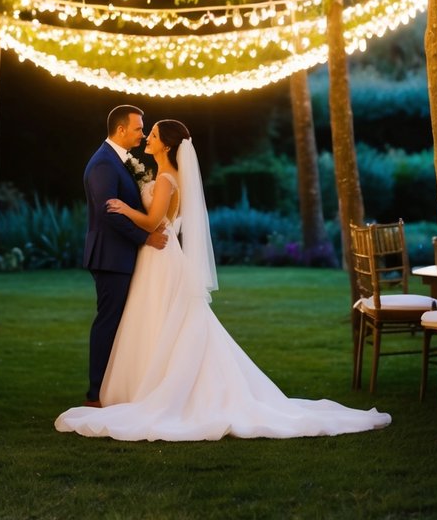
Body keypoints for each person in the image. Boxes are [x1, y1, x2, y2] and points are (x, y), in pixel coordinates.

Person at [56, 119, 391, 441]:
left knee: (161, 319)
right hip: (159, 254)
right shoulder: (165, 174)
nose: (148, 138)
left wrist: (126, 210)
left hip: (159, 254)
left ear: (167, 144)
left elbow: (154, 220)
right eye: (147, 132)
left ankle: (159, 386)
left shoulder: (166, 178)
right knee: (156, 320)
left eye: (154, 134)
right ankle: (147, 381)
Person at [80, 104, 167, 406]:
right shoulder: (104, 164)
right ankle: (95, 393)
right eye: (138, 129)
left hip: (119, 255)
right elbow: (109, 214)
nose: (142, 134)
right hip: (110, 256)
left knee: (119, 322)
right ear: (120, 130)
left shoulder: (120, 161)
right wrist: (146, 238)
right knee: (109, 322)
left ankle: (113, 386)